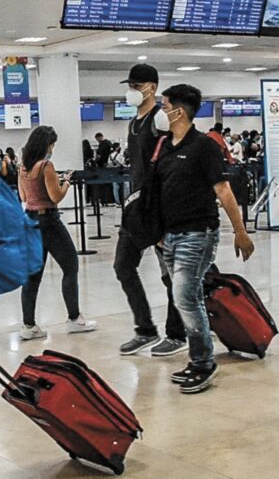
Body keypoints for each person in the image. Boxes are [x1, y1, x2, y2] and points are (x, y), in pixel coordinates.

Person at [158, 84, 255, 394]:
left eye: (164, 105)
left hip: (198, 233)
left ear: (179, 110)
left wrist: (240, 231)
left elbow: (223, 190)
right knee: (188, 298)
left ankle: (204, 362)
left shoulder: (204, 146)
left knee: (185, 297)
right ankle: (197, 358)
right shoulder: (165, 146)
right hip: (170, 235)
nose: (162, 111)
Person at [115, 64, 188, 357]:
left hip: (159, 208)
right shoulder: (134, 122)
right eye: (130, 85)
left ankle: (177, 333)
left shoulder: (160, 118)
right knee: (123, 266)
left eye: (138, 85)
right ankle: (145, 329)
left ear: (153, 88)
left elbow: (176, 160)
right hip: (135, 208)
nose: (132, 91)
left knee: (170, 274)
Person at [18, 126, 97, 340]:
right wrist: (66, 182)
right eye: (52, 144)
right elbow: (55, 197)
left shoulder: (23, 167)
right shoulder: (46, 165)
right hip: (50, 222)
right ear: (47, 145)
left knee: (33, 276)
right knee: (70, 266)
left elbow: (24, 196)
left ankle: (28, 325)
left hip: (31, 222)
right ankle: (74, 319)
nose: (52, 148)